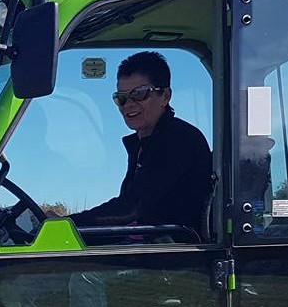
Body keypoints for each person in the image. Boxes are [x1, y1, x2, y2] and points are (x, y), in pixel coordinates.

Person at [68, 51, 213, 236]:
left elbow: (130, 209)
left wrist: (67, 224)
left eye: (139, 94)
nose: (128, 104)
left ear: (165, 96)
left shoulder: (178, 140)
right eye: (121, 98)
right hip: (153, 242)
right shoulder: (143, 145)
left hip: (175, 247)